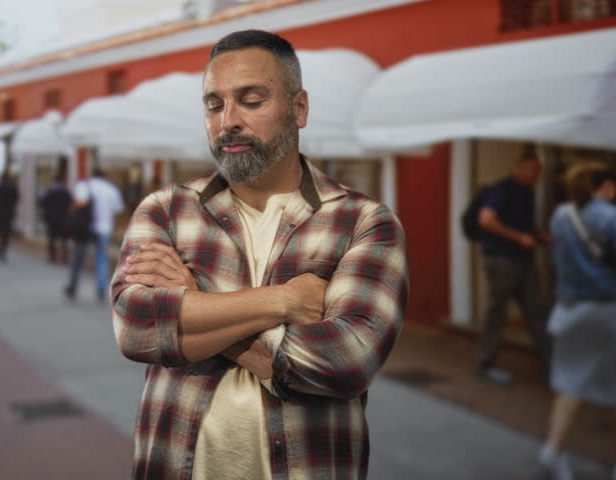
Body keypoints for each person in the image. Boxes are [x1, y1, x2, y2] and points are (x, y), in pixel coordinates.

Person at [110, 30, 408, 479]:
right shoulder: (166, 210)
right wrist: (281, 302)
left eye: (250, 100)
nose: (228, 120)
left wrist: (192, 303)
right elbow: (136, 330)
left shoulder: (363, 222)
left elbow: (345, 362)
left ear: (299, 108)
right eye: (214, 105)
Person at [538, 163, 616, 480]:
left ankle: (552, 451)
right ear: (608, 186)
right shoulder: (615, 217)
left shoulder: (559, 216)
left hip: (570, 310)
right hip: (611, 309)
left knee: (570, 381)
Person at [476, 148, 551, 385]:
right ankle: (486, 364)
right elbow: (486, 219)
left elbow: (525, 224)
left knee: (536, 311)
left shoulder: (528, 192)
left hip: (523, 261)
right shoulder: (502, 189)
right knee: (497, 312)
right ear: (519, 166)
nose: (537, 175)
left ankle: (552, 364)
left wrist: (539, 235)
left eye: (539, 171)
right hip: (502, 260)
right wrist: (518, 237)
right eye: (533, 170)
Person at [64, 167, 124, 302]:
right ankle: (101, 289)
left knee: (78, 258)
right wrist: (113, 228)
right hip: (104, 229)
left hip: (85, 229)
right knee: (102, 258)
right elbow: (117, 212)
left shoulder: (84, 186)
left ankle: (73, 285)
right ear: (105, 176)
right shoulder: (112, 189)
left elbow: (77, 205)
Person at [40, 171, 73, 264]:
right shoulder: (65, 192)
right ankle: (64, 257)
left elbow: (43, 204)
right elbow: (70, 204)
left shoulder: (50, 192)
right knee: (64, 238)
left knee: (52, 237)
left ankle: (52, 256)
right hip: (63, 218)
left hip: (52, 218)